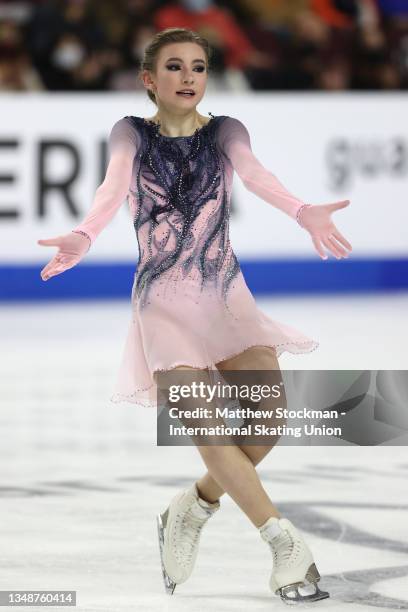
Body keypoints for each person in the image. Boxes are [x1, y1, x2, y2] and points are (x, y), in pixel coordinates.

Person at [37, 27, 352, 604]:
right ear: (149, 80)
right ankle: (283, 543)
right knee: (208, 427)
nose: (189, 77)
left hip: (225, 294)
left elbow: (256, 174)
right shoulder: (129, 133)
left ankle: (193, 507)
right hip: (162, 302)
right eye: (175, 67)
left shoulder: (227, 130)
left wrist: (302, 210)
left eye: (199, 67)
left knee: (265, 425)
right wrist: (84, 234)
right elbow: (112, 187)